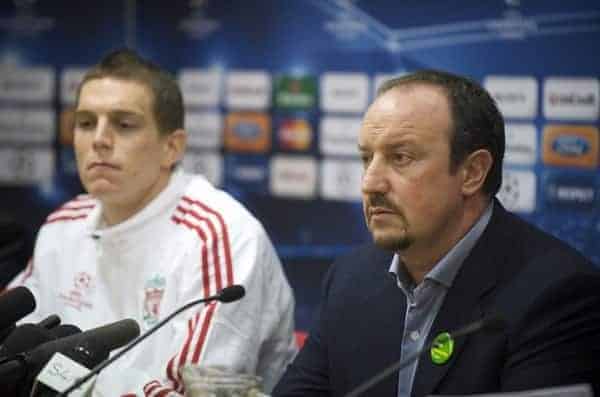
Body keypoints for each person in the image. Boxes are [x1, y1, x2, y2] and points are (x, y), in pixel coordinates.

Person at [273, 70, 600, 397]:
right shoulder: (349, 279)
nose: (370, 183)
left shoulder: (557, 295)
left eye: (400, 158)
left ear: (472, 173)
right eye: (366, 158)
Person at [9, 49, 297, 396]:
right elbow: (13, 353)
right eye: (85, 123)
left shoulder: (219, 234)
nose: (99, 139)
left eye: (124, 124)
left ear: (172, 148)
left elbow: (192, 391)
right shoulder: (62, 226)